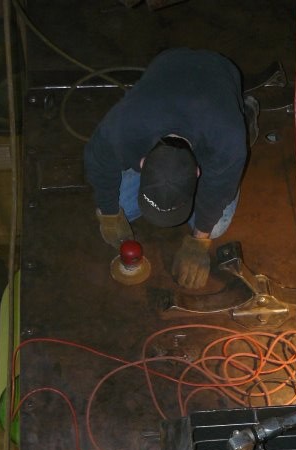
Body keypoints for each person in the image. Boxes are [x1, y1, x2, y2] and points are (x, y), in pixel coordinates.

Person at [84, 47, 258, 289]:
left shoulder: (226, 142)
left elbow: (219, 191)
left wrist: (200, 241)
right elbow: (99, 163)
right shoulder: (122, 130)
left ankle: (246, 112)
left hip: (219, 73)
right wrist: (110, 214)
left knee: (216, 227)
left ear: (199, 172)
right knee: (122, 205)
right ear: (143, 163)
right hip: (169, 63)